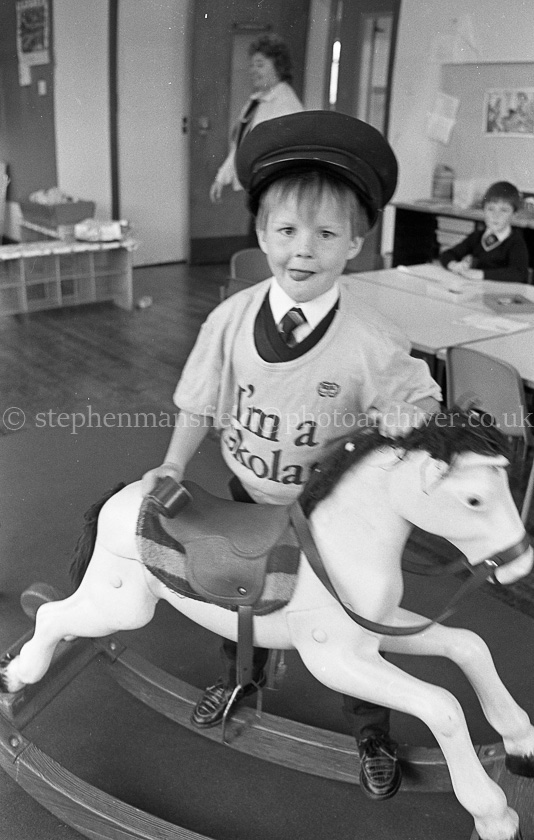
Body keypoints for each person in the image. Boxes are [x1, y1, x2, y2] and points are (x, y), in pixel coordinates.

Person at [142, 111, 441, 801]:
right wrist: (173, 464)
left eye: (327, 234)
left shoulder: (373, 339)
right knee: (242, 594)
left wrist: (409, 413)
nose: (303, 251)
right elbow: (200, 401)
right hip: (248, 499)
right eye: (286, 231)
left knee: (353, 625)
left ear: (356, 244)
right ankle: (244, 676)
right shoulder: (232, 318)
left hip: (329, 514)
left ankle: (371, 725)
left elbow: (424, 401)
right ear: (261, 234)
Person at [209, 34, 303, 205]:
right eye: (251, 65)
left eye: (260, 64)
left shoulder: (286, 103)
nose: (253, 70)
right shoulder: (255, 102)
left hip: (276, 191)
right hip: (258, 187)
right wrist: (221, 178)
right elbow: (241, 145)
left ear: (278, 66)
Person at [438, 180, 529, 283]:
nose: (496, 215)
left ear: (514, 214)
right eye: (490, 209)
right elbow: (447, 254)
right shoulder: (477, 237)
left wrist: (482, 274)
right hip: (477, 290)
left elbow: (519, 274)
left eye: (504, 210)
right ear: (483, 210)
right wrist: (454, 265)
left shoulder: (515, 242)